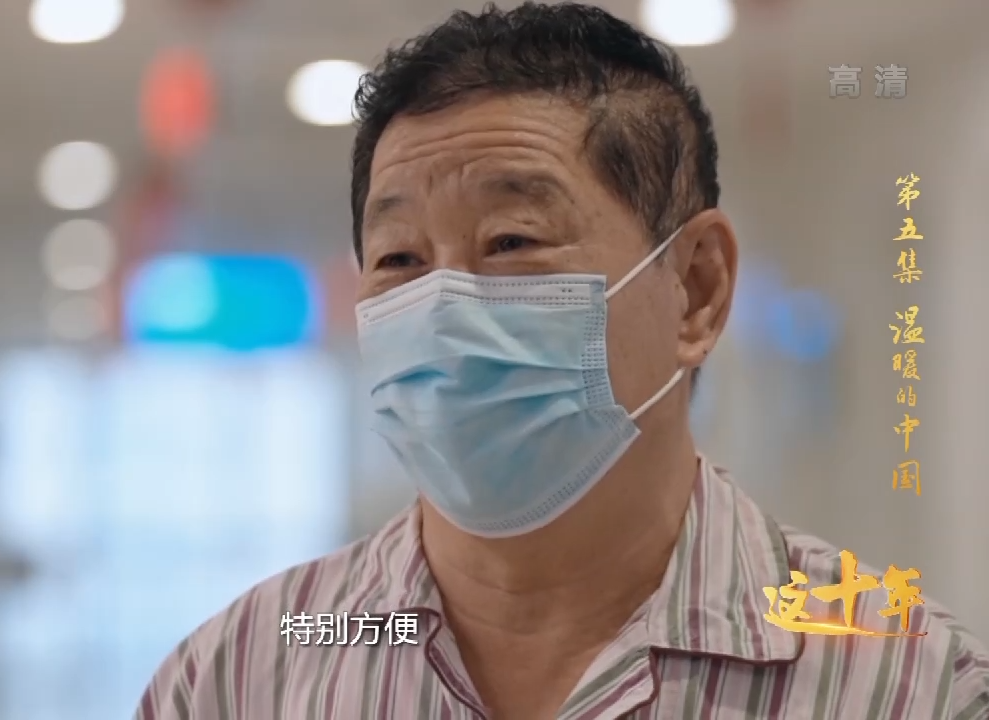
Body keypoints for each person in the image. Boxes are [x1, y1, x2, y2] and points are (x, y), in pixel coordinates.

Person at [134, 3, 989, 718]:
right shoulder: (238, 678)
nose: (443, 307)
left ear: (696, 290)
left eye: (512, 240)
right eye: (399, 259)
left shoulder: (904, 685)